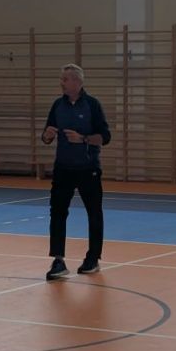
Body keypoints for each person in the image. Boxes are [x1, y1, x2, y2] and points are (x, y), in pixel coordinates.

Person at [41, 64, 111, 280]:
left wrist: (83, 139)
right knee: (57, 212)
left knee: (94, 212)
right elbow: (46, 136)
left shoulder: (92, 105)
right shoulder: (57, 105)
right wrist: (47, 135)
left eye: (65, 79)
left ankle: (93, 258)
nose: (62, 83)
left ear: (78, 82)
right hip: (63, 168)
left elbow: (105, 137)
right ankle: (58, 260)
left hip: (88, 169)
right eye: (61, 79)